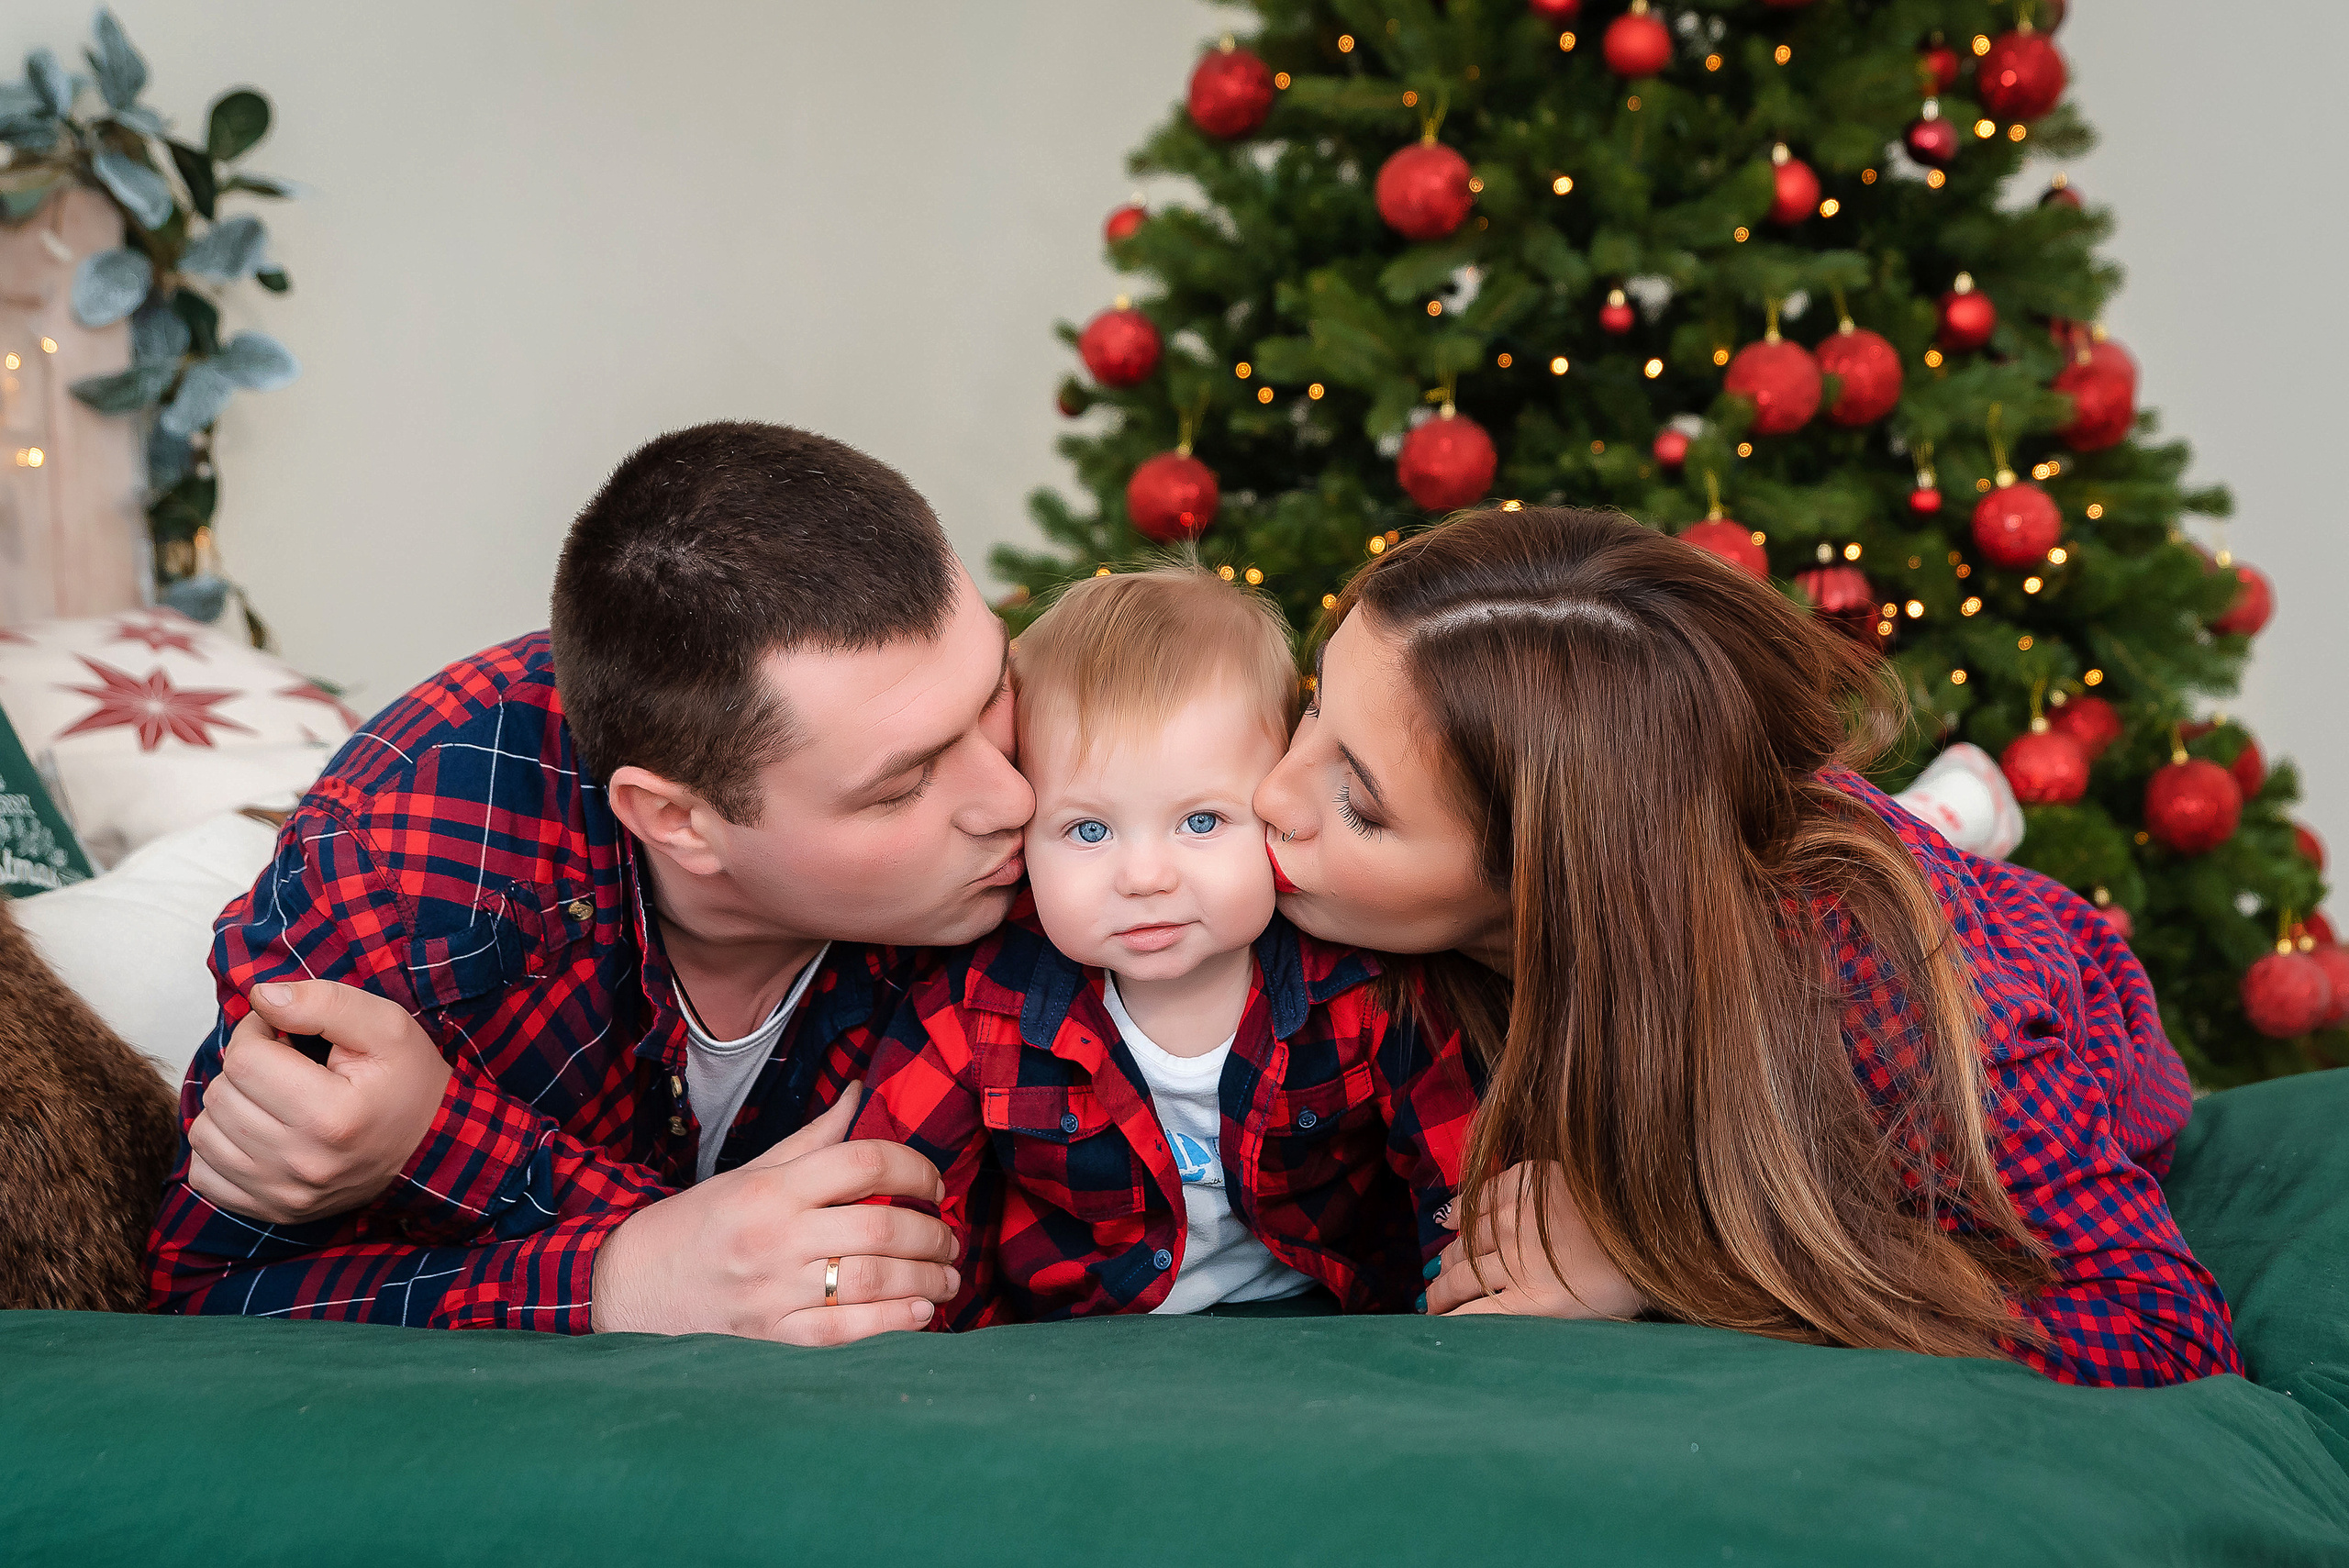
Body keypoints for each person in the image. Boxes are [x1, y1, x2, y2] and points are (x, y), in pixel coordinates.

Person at [1252, 506, 2242, 1386]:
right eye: (1309, 708)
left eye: (1359, 802)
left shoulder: (1888, 1002)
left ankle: (1930, 829)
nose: (1270, 795)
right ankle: (1934, 809)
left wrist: (1656, 1255)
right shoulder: (1377, 906)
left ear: (1552, 884)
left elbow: (2162, 1330)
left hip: (2031, 995)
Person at [144, 422, 1033, 1342]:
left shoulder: (1096, 803)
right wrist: (617, 1279)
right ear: (678, 820)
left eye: (994, 688)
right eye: (904, 783)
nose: (1012, 797)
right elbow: (199, 1305)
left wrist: (439, 1141)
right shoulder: (403, 880)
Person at [852, 566, 1478, 1326]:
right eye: (1089, 830)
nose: (1145, 877)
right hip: (1072, 1352)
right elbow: (907, 1220)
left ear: (1274, 803)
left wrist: (1460, 1329)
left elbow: (1459, 1190)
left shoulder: (1361, 992)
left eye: (1202, 821)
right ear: (1024, 837)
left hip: (1320, 1332)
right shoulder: (974, 1010)